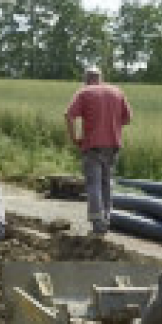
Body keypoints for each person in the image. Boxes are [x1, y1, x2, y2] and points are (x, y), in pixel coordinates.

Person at [65, 65, 132, 236]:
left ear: (86, 79)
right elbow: (128, 119)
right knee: (106, 183)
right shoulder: (117, 91)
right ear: (100, 78)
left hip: (93, 146)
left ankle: (97, 223)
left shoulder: (84, 92)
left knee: (93, 183)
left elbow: (69, 116)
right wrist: (111, 124)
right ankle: (106, 219)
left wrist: (74, 138)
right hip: (113, 145)